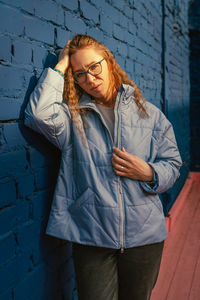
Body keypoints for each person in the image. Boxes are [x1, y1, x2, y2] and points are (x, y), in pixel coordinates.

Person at [24, 34, 182, 300]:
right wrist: (61, 66)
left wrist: (149, 173)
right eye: (80, 74)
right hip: (91, 235)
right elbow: (38, 115)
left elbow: (173, 164)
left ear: (109, 61)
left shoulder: (150, 113)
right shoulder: (73, 117)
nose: (90, 79)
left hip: (144, 237)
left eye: (94, 67)